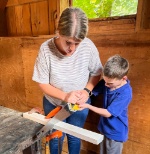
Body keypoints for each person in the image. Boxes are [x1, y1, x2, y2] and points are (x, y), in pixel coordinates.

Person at [32, 7, 103, 154]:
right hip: (53, 102)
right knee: (55, 138)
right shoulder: (46, 49)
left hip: (79, 104)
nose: (72, 48)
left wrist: (87, 90)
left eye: (77, 43)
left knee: (74, 137)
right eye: (68, 42)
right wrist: (65, 96)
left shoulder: (88, 46)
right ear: (59, 32)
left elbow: (97, 72)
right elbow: (42, 82)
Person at [79, 55, 132, 154]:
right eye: (105, 81)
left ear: (123, 78)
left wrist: (87, 106)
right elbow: (93, 92)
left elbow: (108, 113)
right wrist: (83, 95)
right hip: (104, 127)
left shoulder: (126, 93)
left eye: (110, 83)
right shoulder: (107, 81)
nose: (106, 85)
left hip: (116, 132)